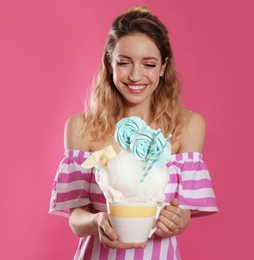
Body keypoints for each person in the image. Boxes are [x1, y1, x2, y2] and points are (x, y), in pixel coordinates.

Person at [49, 6, 218, 259]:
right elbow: (76, 218)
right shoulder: (81, 127)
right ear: (110, 64)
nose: (135, 75)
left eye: (149, 64)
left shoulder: (188, 127)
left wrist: (179, 218)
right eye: (124, 63)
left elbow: (184, 211)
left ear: (163, 67)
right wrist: (98, 222)